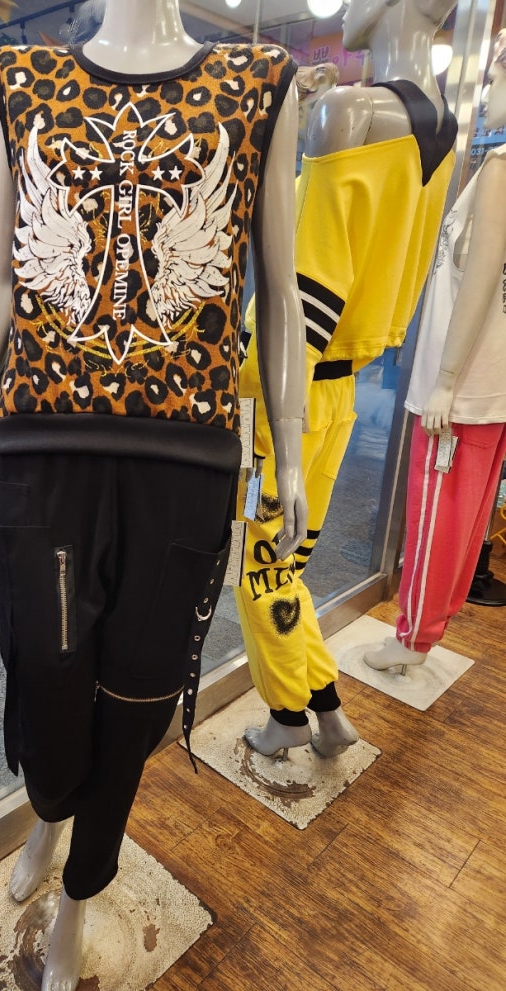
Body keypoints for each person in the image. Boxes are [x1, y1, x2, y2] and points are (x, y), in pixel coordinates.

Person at [0, 2, 308, 988]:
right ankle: (49, 816)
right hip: (45, 459)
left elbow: (278, 290)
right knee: (49, 675)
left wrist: (291, 453)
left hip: (182, 470)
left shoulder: (259, 84)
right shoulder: (18, 81)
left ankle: (80, 891)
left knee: (136, 698)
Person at [235, 0, 458, 761]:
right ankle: (326, 712)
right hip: (339, 385)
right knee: (287, 566)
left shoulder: (349, 111)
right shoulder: (442, 131)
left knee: (261, 571)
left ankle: (287, 717)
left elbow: (308, 283)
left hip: (284, 386)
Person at [364, 30, 506, 673]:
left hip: (464, 385)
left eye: (496, 77)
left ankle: (412, 638)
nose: (488, 90)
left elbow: (480, 277)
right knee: (463, 518)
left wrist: (446, 378)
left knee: (437, 514)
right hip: (487, 381)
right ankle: (426, 629)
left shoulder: (499, 168)